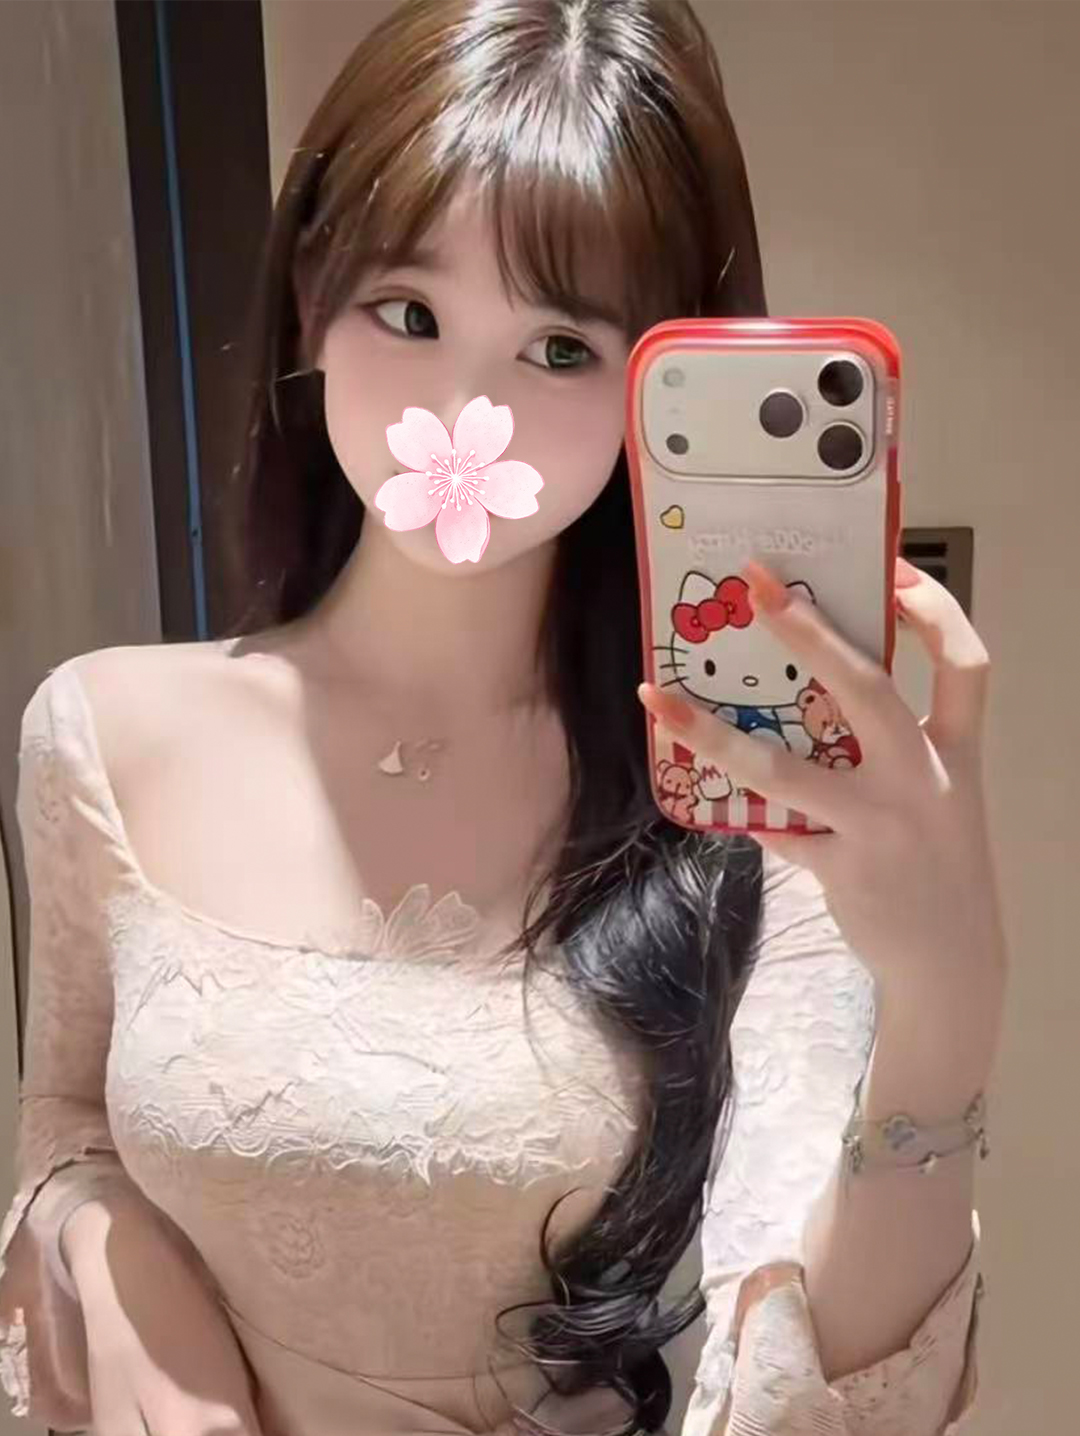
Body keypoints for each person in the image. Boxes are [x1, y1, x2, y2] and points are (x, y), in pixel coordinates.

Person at [0, 2, 1007, 1433]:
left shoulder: (748, 797)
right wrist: (116, 1272)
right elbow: (67, 1122)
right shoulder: (103, 733)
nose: (464, 409)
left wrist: (948, 1009)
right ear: (310, 304)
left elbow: (806, 1397)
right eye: (410, 315)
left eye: (560, 351)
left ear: (656, 386)